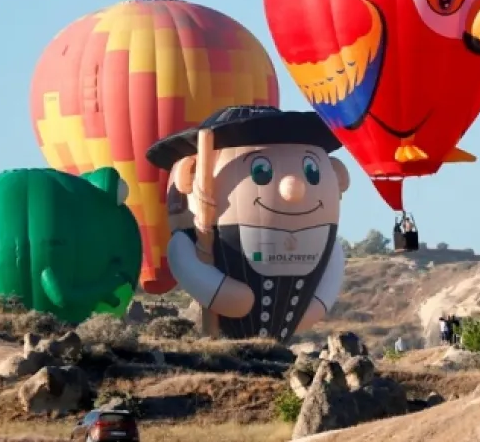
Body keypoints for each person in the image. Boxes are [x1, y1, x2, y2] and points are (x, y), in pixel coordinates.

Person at [150, 105, 350, 342]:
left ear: (338, 175)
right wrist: (219, 292)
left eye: (312, 172)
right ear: (187, 175)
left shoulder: (325, 225)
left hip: (287, 312)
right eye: (261, 171)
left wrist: (316, 304)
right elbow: (181, 252)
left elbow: (331, 264)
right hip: (218, 233)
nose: (292, 188)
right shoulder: (196, 214)